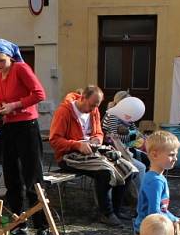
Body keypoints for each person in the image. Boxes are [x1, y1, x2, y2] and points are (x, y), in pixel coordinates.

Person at [0, 39, 50, 235]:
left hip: (26, 126)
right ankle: (17, 224)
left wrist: (15, 105)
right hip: (7, 127)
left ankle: (42, 229)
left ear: (10, 57)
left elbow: (39, 94)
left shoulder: (21, 68)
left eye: (1, 61)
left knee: (33, 178)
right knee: (11, 177)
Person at [50, 85, 133, 226]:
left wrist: (97, 140)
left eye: (96, 106)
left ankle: (116, 210)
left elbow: (99, 132)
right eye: (92, 105)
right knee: (105, 172)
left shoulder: (94, 111)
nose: (94, 108)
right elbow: (55, 140)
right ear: (82, 98)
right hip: (69, 156)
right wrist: (77, 145)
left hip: (92, 153)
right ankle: (106, 213)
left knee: (127, 168)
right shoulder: (64, 112)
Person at [133, 131, 180, 235]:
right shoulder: (155, 181)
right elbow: (154, 213)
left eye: (176, 154)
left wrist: (176, 219)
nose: (175, 158)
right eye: (171, 155)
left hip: (150, 228)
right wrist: (172, 222)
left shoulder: (156, 177)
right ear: (154, 154)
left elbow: (162, 209)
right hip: (151, 230)